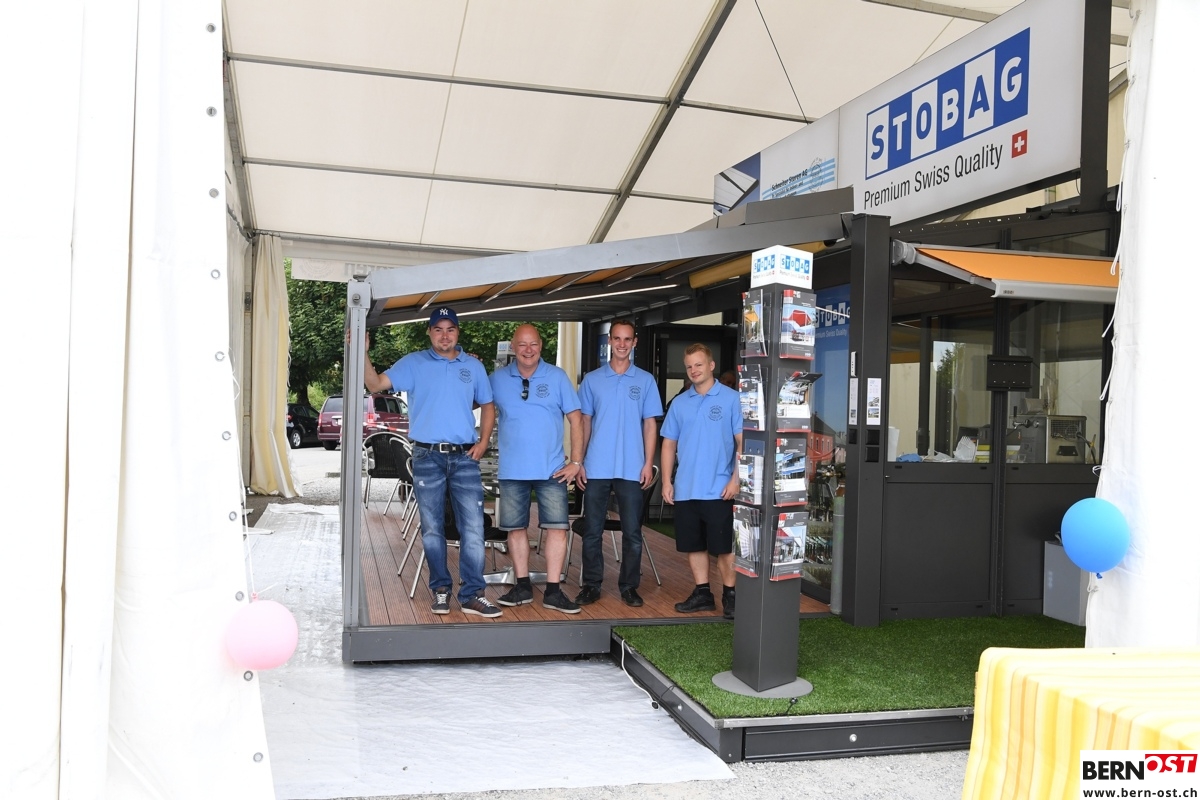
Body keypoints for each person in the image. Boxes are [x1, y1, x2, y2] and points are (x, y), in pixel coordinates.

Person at [361, 307, 502, 618]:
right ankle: (441, 589)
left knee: (473, 527)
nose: (444, 335)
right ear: (429, 332)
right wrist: (362, 350)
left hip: (465, 456)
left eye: (450, 329)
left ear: (458, 332)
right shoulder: (414, 363)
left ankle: (472, 594)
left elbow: (489, 405)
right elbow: (375, 384)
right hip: (427, 456)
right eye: (438, 329)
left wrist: (483, 442)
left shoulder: (473, 367)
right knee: (432, 528)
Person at [490, 324, 584, 614]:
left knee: (557, 528)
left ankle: (553, 592)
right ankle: (522, 587)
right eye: (522, 344)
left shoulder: (557, 377)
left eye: (533, 344)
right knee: (515, 528)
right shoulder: (497, 379)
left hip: (552, 470)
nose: (528, 350)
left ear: (541, 345)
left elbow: (576, 419)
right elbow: (474, 404)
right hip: (512, 470)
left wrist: (576, 462)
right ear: (513, 347)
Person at [575, 320, 664, 607]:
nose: (622, 344)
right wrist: (579, 461)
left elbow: (649, 424)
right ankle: (591, 585)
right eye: (617, 338)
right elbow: (585, 422)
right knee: (592, 530)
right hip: (596, 465)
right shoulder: (592, 380)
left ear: (634, 342)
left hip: (632, 467)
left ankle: (629, 587)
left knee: (632, 532)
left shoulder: (646, 381)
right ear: (610, 342)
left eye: (627, 339)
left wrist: (648, 463)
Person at [660, 343, 743, 619]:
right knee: (694, 545)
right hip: (686, 488)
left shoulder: (732, 399)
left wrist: (736, 479)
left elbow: (742, 442)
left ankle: (730, 596)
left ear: (711, 365)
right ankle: (702, 594)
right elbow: (669, 444)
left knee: (724, 548)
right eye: (689, 366)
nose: (693, 370)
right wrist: (667, 482)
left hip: (720, 489)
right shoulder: (680, 402)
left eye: (698, 364)